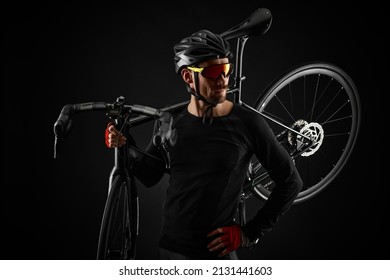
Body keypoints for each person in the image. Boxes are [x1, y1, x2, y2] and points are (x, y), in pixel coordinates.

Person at [105, 29, 303, 259]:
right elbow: (150, 176)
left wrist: (249, 233)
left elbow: (291, 182)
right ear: (188, 76)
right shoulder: (170, 122)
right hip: (169, 251)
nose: (223, 80)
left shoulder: (248, 123)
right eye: (213, 72)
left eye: (226, 70)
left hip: (216, 257)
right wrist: (124, 143)